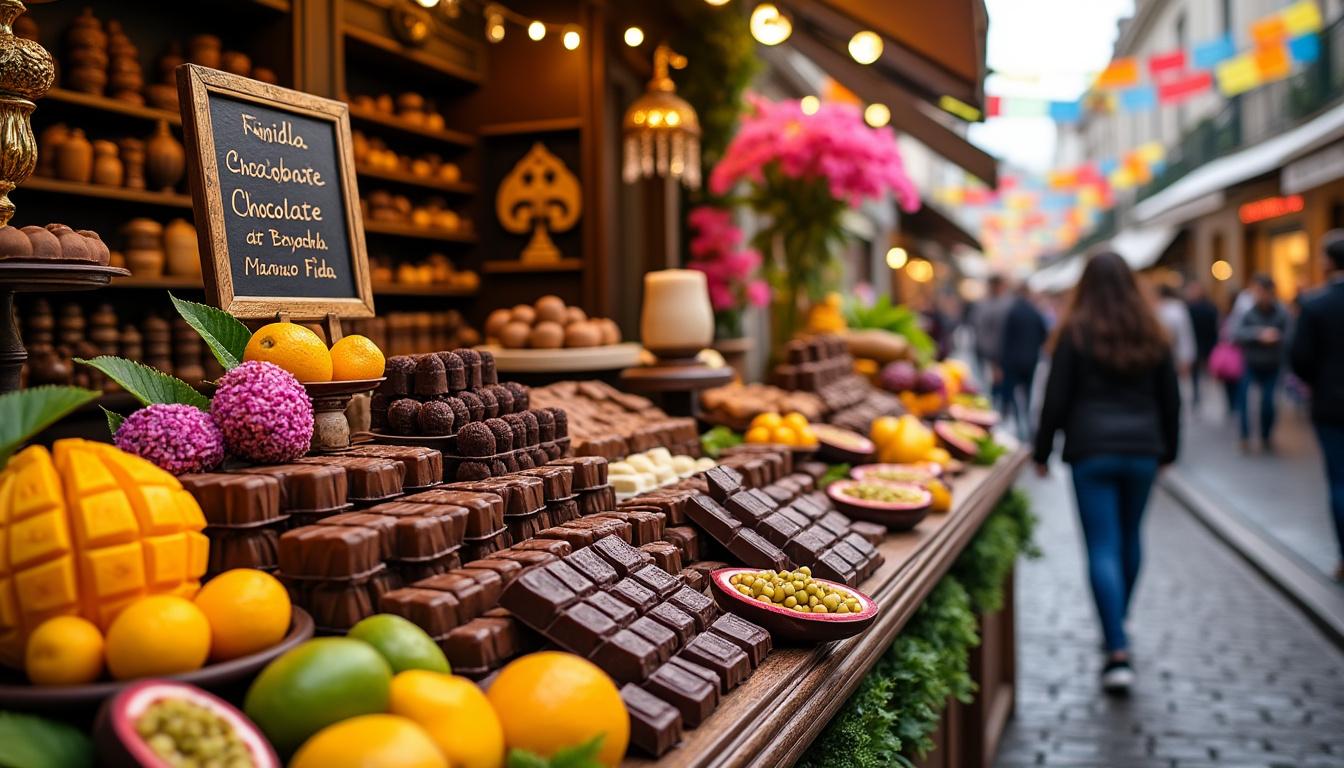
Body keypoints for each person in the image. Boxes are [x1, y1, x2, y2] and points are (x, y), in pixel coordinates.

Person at [1033, 252, 1180, 695]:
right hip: (1142, 450)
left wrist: (1042, 451)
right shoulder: (1152, 331)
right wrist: (1170, 450)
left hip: (1091, 451)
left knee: (1101, 546)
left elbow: (1055, 398)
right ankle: (1120, 623)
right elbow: (1170, 398)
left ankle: (1116, 647)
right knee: (1131, 538)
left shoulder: (1075, 332)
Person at [1289, 231, 1344, 582]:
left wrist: (1316, 382)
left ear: (1328, 262)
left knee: (1339, 481)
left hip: (1331, 404)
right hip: (1329, 401)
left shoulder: (1316, 304)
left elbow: (1299, 357)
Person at [1233, 274, 1290, 452]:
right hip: (1251, 362)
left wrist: (1277, 337)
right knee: (1244, 401)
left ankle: (1266, 435)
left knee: (1268, 402)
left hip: (1273, 363)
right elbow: (1237, 333)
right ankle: (1245, 436)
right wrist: (1258, 334)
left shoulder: (1282, 312)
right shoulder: (1249, 312)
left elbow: (1291, 335)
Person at [999, 285, 1048, 441]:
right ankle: (1027, 421)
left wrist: (1003, 361)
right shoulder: (1035, 313)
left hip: (1013, 361)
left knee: (1014, 393)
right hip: (1031, 359)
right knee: (1028, 392)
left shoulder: (1012, 313)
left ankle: (1020, 422)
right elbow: (1044, 335)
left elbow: (1006, 339)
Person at [971, 275, 1012, 399]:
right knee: (984, 383)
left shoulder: (1006, 305)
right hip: (983, 350)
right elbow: (977, 325)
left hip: (998, 353)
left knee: (998, 385)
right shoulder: (983, 304)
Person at [1155, 282, 1196, 392]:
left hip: (1172, 357)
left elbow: (1183, 335)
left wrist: (1185, 359)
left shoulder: (1173, 309)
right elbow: (1186, 334)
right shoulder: (1176, 308)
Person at [1185, 282, 1220, 408]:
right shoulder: (1193, 307)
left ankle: (1204, 394)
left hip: (1204, 342)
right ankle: (1200, 394)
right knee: (1199, 371)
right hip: (1199, 342)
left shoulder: (1191, 308)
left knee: (1206, 370)